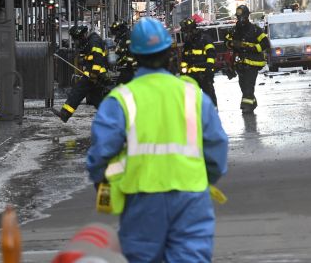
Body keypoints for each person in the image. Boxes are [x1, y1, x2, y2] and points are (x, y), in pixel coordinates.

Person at [86, 17, 228, 262]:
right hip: (191, 196)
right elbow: (217, 148)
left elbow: (100, 154)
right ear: (169, 52)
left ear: (135, 55)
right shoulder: (192, 96)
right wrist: (203, 178)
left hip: (142, 198)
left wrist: (103, 182)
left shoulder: (120, 100)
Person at [52, 25, 107, 123]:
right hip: (93, 74)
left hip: (94, 75)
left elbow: (97, 59)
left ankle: (65, 114)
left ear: (82, 36)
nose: (76, 42)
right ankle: (110, 117)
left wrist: (94, 75)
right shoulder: (88, 42)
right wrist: (82, 58)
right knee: (96, 98)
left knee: (77, 92)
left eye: (76, 39)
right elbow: (87, 57)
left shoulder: (94, 41)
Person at [225, 5, 270, 113]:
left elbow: (265, 43)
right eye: (238, 17)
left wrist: (253, 47)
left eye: (242, 16)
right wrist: (232, 44)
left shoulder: (255, 30)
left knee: (249, 84)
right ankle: (252, 102)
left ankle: (246, 106)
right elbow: (226, 42)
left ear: (247, 16)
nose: (240, 19)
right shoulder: (234, 30)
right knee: (242, 85)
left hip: (253, 62)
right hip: (240, 62)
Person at [180, 18, 218, 107]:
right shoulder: (187, 43)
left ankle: (213, 112)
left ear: (192, 29)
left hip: (205, 73)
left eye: (187, 31)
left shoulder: (205, 39)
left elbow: (211, 53)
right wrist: (183, 72)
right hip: (191, 75)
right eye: (185, 32)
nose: (186, 34)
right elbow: (184, 59)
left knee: (209, 95)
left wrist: (209, 67)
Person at [109, 20, 136, 85]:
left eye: (115, 32)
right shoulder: (124, 37)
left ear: (120, 29)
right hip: (130, 67)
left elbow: (130, 56)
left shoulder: (128, 37)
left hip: (133, 67)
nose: (115, 34)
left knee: (120, 85)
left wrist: (119, 62)